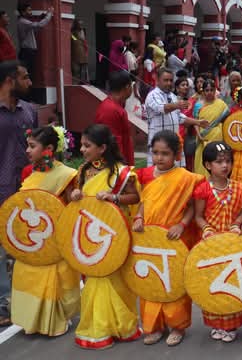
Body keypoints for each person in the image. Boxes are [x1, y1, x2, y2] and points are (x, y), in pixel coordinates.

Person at [68, 125, 141, 349]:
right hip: (89, 232)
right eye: (82, 145)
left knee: (115, 279)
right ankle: (98, 329)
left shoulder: (122, 172)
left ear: (102, 148)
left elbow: (135, 197)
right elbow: (77, 199)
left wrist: (113, 197)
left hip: (114, 234)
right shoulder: (83, 170)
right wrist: (75, 195)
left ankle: (121, 325)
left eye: (87, 145)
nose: (82, 149)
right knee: (95, 277)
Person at [132, 131, 203, 346]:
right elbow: (143, 202)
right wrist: (138, 217)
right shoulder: (144, 174)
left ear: (176, 154)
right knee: (149, 280)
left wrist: (181, 225)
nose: (159, 158)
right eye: (155, 153)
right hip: (150, 237)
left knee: (174, 281)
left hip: (175, 237)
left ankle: (177, 326)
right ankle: (154, 326)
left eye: (165, 153)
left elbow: (191, 207)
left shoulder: (186, 178)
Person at [10, 126, 80, 336]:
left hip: (54, 240)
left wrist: (75, 195)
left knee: (55, 279)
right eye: (28, 146)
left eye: (32, 146)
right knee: (29, 276)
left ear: (48, 148)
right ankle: (32, 320)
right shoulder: (27, 172)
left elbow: (71, 206)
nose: (27, 151)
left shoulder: (66, 175)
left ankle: (57, 319)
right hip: (29, 240)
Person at [193, 141, 242, 343]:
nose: (225, 166)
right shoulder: (202, 190)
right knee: (213, 284)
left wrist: (237, 225)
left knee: (233, 281)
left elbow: (241, 213)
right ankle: (216, 324)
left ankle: (231, 325)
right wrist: (207, 230)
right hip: (211, 244)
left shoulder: (239, 188)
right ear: (208, 165)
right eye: (219, 162)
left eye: (228, 161)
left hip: (232, 243)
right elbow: (198, 216)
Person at [145, 68, 208, 166]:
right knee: (158, 173)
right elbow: (161, 108)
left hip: (173, 144)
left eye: (171, 80)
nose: (169, 83)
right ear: (157, 80)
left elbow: (179, 117)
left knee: (176, 173)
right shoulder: (153, 95)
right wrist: (177, 105)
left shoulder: (172, 96)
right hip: (158, 145)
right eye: (166, 80)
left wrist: (197, 122)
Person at [0, 61, 36, 204]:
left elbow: (36, 146)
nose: (30, 83)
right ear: (10, 81)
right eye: (25, 78)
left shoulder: (30, 110)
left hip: (27, 187)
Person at [192, 78, 230, 177]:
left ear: (215, 90)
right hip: (203, 137)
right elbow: (195, 122)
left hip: (217, 136)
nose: (209, 92)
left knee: (217, 158)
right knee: (203, 159)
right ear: (203, 91)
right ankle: (202, 181)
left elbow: (226, 120)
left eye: (211, 90)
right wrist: (199, 135)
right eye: (207, 90)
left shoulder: (221, 104)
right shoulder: (198, 105)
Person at [94, 70, 134, 165]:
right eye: (131, 86)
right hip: (114, 165)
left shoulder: (115, 107)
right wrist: (120, 166)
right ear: (127, 87)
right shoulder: (110, 109)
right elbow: (113, 143)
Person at [16, 3, 53, 79]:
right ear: (23, 12)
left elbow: (35, 27)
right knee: (26, 74)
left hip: (28, 51)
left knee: (28, 73)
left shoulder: (24, 22)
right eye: (29, 10)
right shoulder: (23, 22)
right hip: (27, 52)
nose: (31, 12)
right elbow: (39, 25)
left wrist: (43, 17)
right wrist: (49, 14)